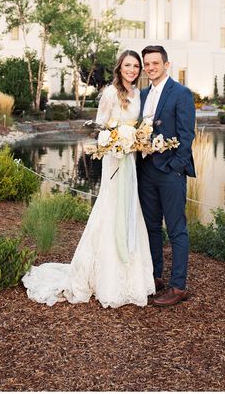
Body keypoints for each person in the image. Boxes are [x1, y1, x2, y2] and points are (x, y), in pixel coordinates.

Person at [22, 50, 155, 308]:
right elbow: (100, 127)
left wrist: (136, 140)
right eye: (128, 65)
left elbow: (141, 126)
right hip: (114, 160)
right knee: (111, 207)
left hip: (130, 160)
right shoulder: (110, 92)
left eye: (136, 66)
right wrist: (114, 141)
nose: (133, 70)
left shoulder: (139, 94)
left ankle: (131, 276)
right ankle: (104, 276)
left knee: (129, 209)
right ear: (119, 68)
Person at [137, 45, 196, 307]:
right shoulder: (140, 95)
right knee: (151, 228)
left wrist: (175, 167)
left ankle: (178, 286)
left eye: (155, 63)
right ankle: (155, 278)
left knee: (176, 230)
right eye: (146, 64)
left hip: (170, 172)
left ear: (166, 65)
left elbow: (186, 136)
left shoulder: (181, 94)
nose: (150, 68)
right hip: (145, 170)